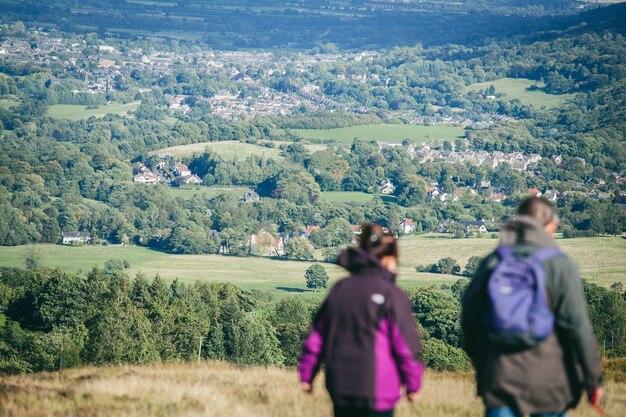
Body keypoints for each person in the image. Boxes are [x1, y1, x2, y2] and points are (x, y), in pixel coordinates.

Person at [461, 196, 604, 417]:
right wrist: (593, 379)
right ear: (551, 226)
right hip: (551, 382)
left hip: (501, 376)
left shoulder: (493, 261)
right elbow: (577, 326)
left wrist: (482, 361)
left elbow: (469, 319)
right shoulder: (560, 265)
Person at [298, 223, 424, 417]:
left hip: (341, 387)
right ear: (388, 259)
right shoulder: (391, 294)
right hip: (378, 392)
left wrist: (307, 374)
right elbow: (405, 345)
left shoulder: (339, 289)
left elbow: (317, 336)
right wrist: (413, 383)